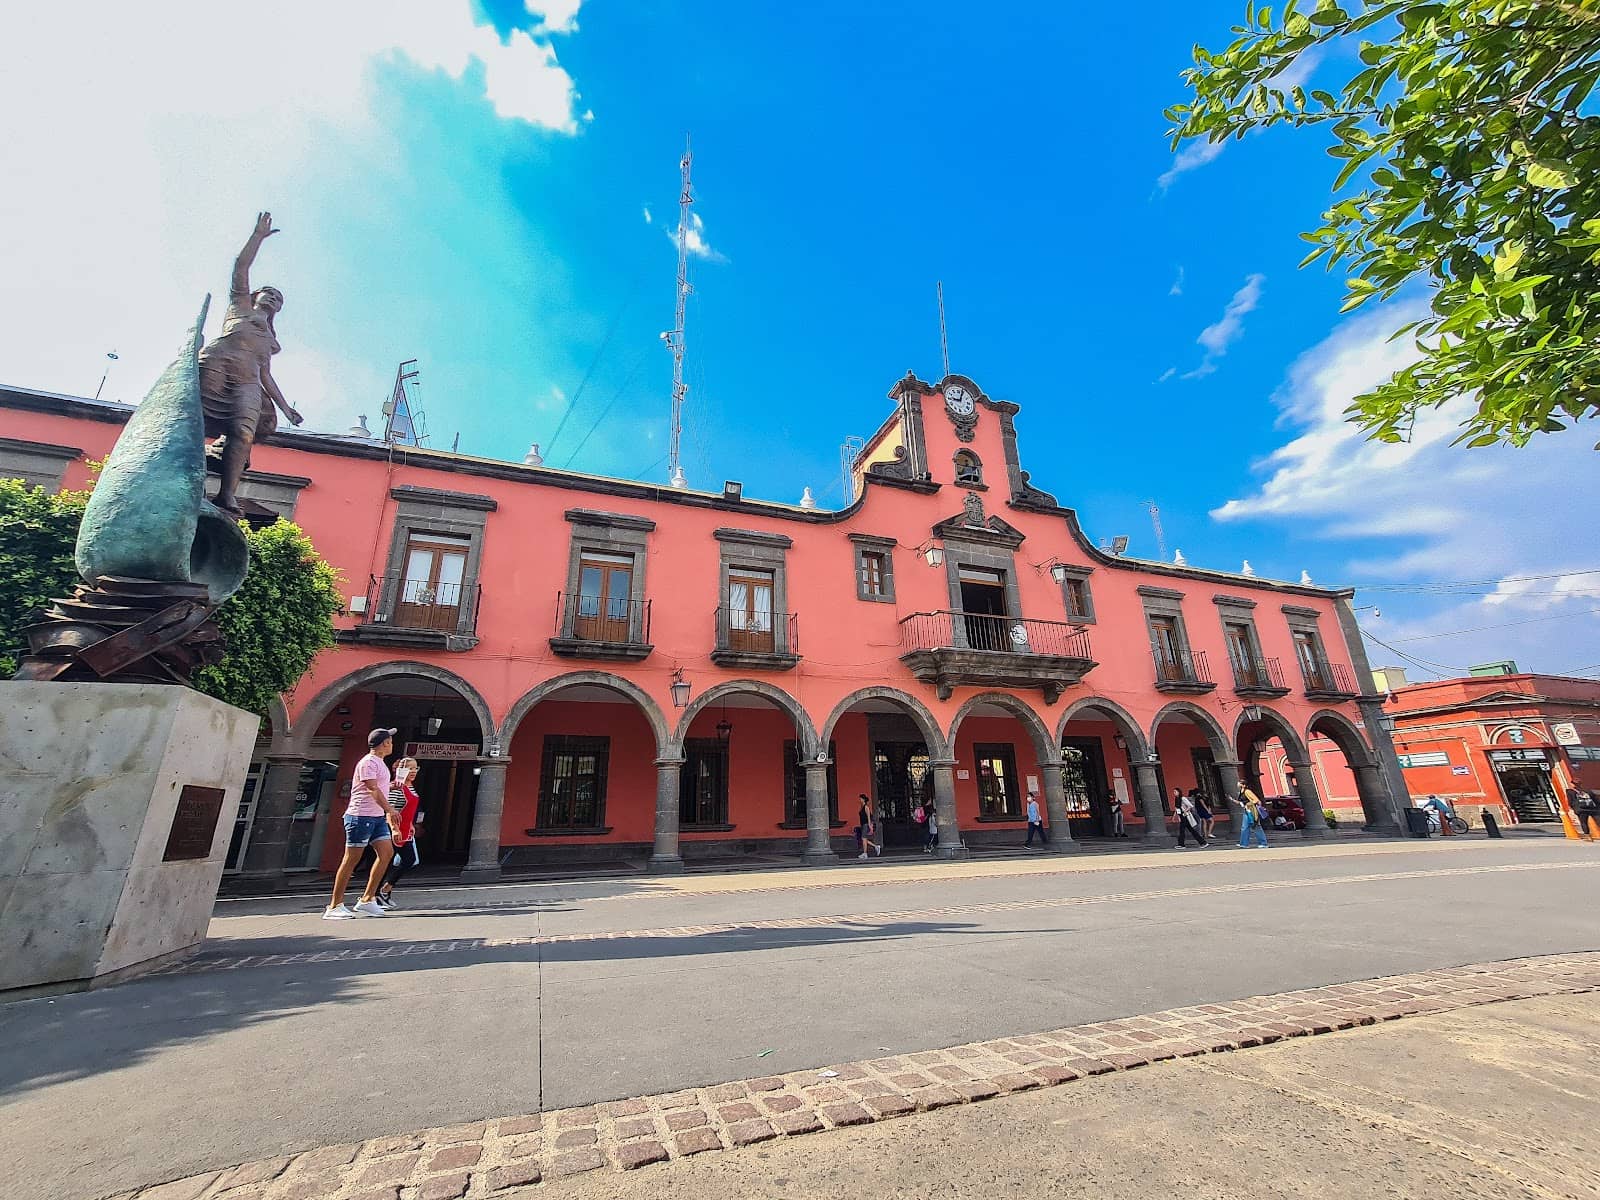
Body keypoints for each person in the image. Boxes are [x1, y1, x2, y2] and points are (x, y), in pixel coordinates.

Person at [199, 212, 303, 516]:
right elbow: (240, 267)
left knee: (243, 433)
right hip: (217, 363)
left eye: (278, 299)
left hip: (248, 380)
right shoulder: (240, 306)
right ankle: (190, 480)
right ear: (257, 295)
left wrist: (285, 409)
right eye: (269, 293)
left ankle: (226, 496)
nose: (272, 298)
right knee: (195, 423)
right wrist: (258, 237)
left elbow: (266, 375)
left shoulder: (270, 338)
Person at [325, 728, 403, 919]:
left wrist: (392, 786)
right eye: (390, 741)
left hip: (375, 818)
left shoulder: (380, 764)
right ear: (385, 743)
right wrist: (390, 809)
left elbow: (379, 787)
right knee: (351, 859)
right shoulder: (368, 762)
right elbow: (372, 790)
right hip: (361, 816)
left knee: (387, 854)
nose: (392, 743)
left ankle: (368, 899)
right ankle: (334, 906)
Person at [375, 757, 423, 909]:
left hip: (405, 829)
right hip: (394, 829)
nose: (413, 772)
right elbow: (391, 809)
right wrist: (394, 829)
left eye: (416, 768)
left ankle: (385, 890)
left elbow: (408, 809)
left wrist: (410, 825)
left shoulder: (411, 787)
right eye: (410, 768)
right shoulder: (397, 787)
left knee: (409, 859)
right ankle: (376, 894)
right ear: (402, 770)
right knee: (386, 861)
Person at [1237, 783, 1269, 849]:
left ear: (1243, 785)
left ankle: (1263, 843)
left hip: (1252, 810)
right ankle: (1244, 843)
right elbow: (1241, 801)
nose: (1238, 784)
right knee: (1244, 827)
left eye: (1240, 783)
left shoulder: (1247, 791)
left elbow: (1256, 800)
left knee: (1256, 826)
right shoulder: (1240, 792)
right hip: (1246, 810)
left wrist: (1248, 804)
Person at [855, 794, 881, 860]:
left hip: (866, 824)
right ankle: (876, 846)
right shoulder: (862, 807)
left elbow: (869, 817)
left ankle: (865, 853)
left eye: (860, 799)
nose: (860, 800)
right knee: (864, 839)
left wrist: (870, 825)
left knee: (863, 838)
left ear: (863, 799)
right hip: (863, 824)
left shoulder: (866, 807)